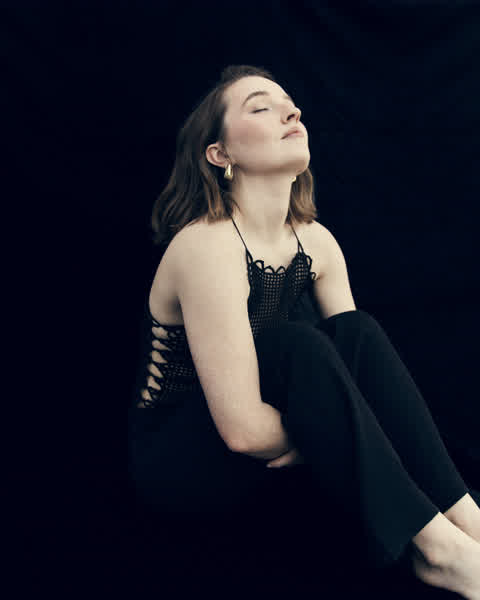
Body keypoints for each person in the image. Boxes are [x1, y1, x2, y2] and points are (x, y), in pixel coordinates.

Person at [128, 65, 480, 596]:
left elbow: (363, 381)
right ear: (219, 154)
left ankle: (469, 522)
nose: (291, 112)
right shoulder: (207, 245)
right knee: (297, 343)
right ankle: (438, 551)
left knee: (356, 332)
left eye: (289, 103)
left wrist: (338, 425)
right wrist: (330, 428)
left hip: (276, 450)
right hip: (182, 460)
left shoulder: (316, 242)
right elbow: (244, 432)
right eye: (260, 107)